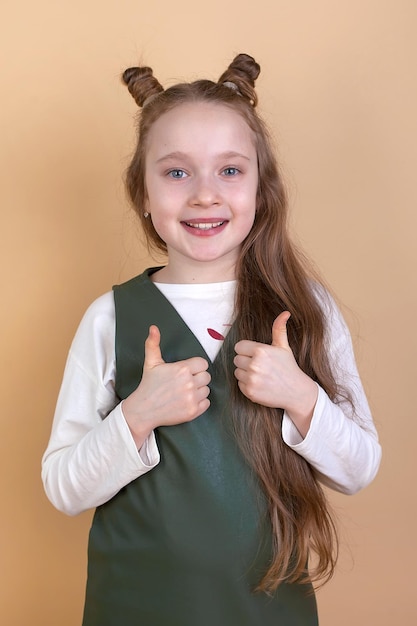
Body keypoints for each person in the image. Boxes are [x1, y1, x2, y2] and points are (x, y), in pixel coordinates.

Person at [42, 53, 381, 626]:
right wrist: (137, 415)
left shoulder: (305, 309)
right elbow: (63, 488)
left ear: (260, 187)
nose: (204, 194)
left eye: (230, 170)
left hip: (271, 609)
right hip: (133, 607)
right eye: (176, 173)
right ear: (143, 194)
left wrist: (300, 396)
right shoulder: (109, 317)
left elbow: (359, 468)